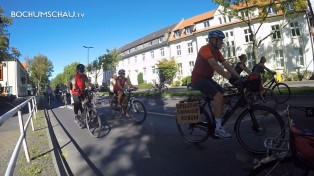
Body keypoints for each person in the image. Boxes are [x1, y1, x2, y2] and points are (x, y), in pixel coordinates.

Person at [191, 30, 241, 138]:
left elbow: (226, 65)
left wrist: (239, 77)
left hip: (207, 79)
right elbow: (214, 64)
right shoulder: (205, 49)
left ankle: (215, 118)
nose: (222, 42)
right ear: (213, 39)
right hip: (198, 79)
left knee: (225, 97)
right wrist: (229, 78)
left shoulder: (217, 52)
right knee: (218, 97)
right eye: (221, 40)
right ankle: (218, 128)